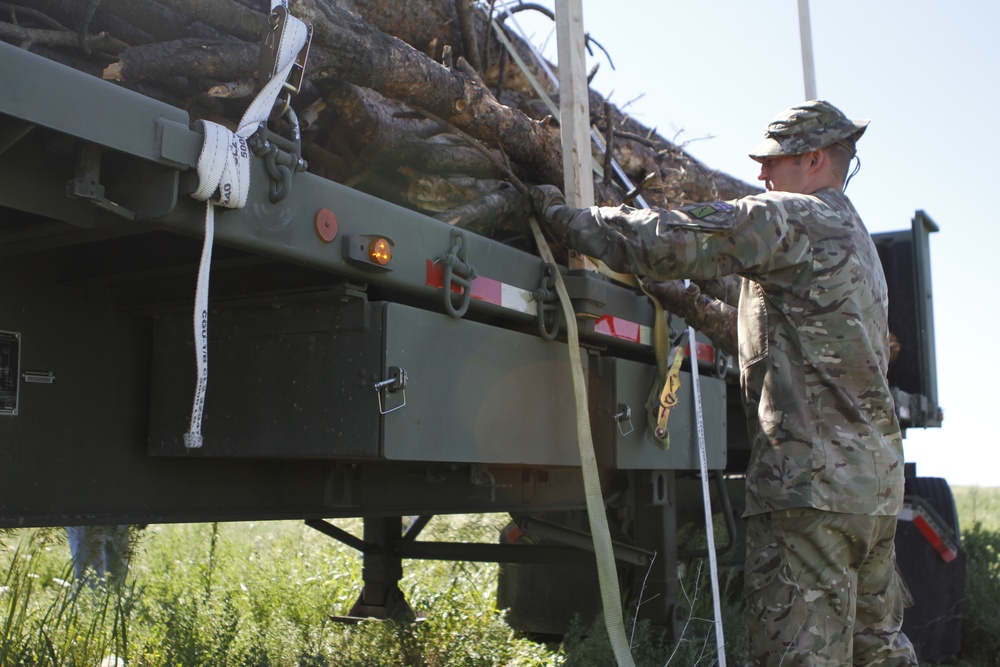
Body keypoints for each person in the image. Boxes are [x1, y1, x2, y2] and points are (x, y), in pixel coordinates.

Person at [531, 100, 916, 665]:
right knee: (877, 649)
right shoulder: (858, 240)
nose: (761, 174)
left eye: (772, 161)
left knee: (799, 656)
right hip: (874, 489)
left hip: (811, 487)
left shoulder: (792, 217)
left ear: (811, 159)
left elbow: (672, 239)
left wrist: (567, 219)